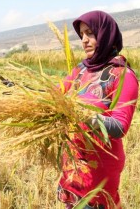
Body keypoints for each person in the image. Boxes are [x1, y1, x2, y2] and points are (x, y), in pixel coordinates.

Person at [57, 11, 138, 208]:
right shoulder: (81, 70)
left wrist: (80, 113)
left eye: (90, 33)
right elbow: (56, 94)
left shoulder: (122, 75)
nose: (84, 40)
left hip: (99, 169)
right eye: (82, 35)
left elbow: (120, 126)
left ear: (105, 33)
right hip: (73, 162)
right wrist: (26, 93)